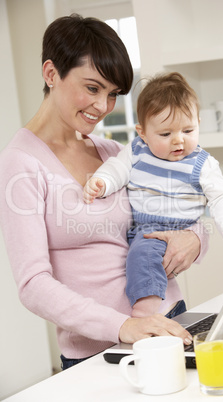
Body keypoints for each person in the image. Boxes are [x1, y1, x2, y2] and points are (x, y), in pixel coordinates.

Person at [0, 15, 208, 371]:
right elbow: (33, 284)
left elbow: (174, 205)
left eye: (112, 94)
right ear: (51, 74)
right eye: (93, 88)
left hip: (169, 320)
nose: (103, 107)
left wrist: (195, 237)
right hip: (100, 351)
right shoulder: (20, 163)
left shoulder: (113, 153)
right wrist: (123, 326)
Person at [84, 72, 223, 318]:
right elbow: (117, 168)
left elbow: (222, 196)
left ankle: (146, 306)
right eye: (166, 134)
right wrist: (102, 182)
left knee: (143, 254)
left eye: (188, 130)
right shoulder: (136, 151)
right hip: (144, 226)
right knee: (140, 255)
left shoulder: (201, 163)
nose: (178, 141)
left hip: (174, 227)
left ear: (198, 122)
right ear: (143, 133)